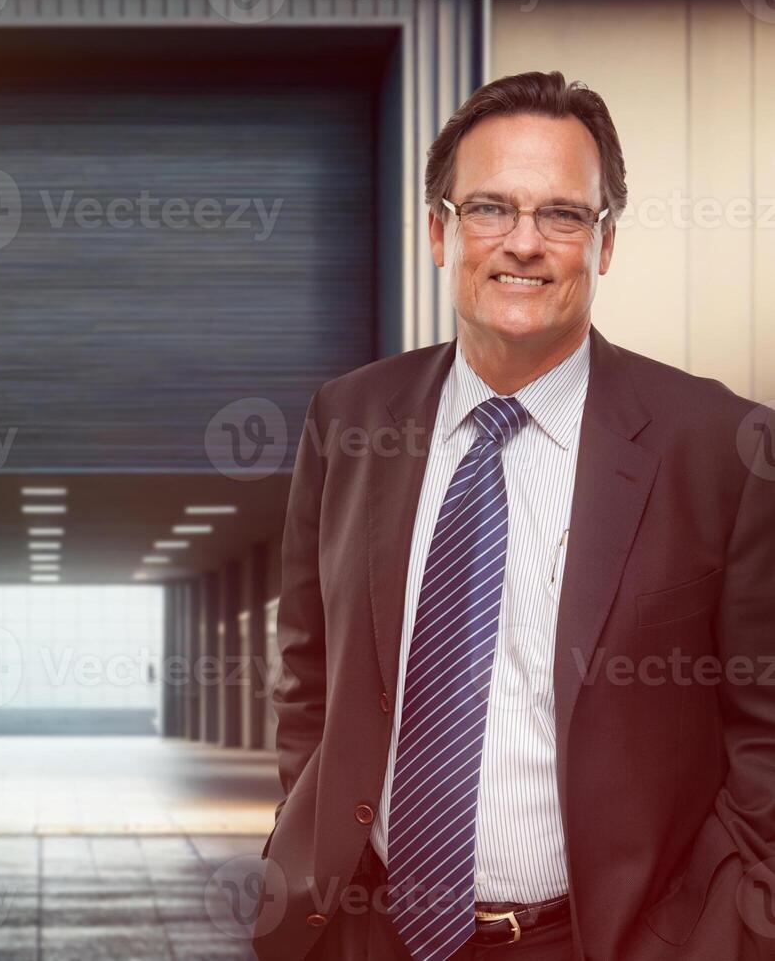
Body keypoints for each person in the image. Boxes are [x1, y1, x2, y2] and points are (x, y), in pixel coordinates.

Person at [251, 70, 775, 961]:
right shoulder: (349, 420)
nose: (521, 244)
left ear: (602, 245)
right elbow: (309, 671)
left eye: (562, 216)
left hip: (600, 940)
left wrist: (722, 928)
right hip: (362, 931)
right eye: (488, 208)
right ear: (437, 231)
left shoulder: (720, 445)